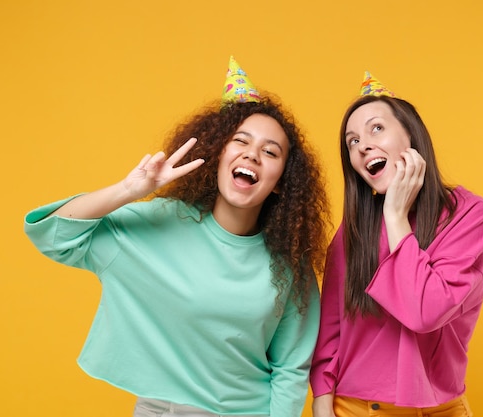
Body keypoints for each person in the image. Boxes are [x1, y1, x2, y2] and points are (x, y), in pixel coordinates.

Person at [24, 56, 329, 417]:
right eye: (241, 141)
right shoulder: (160, 223)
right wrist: (126, 191)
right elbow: (53, 236)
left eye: (270, 151)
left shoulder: (289, 262)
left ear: (281, 184)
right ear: (218, 155)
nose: (252, 154)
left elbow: (291, 368)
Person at [310, 72, 483, 417]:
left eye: (376, 128)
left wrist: (395, 217)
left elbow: (426, 311)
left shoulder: (468, 214)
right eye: (352, 141)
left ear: (411, 134)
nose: (362, 145)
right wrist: (321, 400)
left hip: (444, 406)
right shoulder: (353, 231)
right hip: (358, 408)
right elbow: (331, 323)